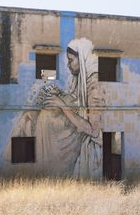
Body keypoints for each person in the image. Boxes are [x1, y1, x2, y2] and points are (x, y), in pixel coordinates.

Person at [14, 38, 103, 179]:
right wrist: (58, 95)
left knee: (45, 117)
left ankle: (47, 169)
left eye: (71, 60)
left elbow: (93, 130)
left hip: (79, 133)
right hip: (70, 125)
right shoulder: (77, 79)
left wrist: (62, 104)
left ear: (81, 59)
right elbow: (74, 99)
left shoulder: (93, 85)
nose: (68, 65)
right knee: (29, 116)